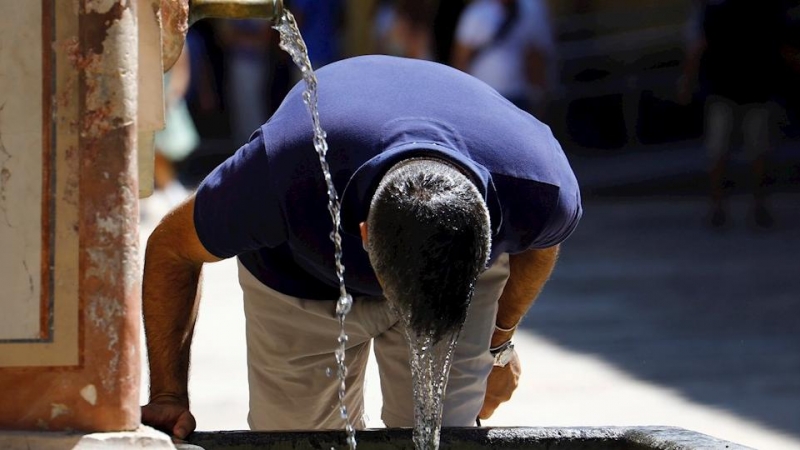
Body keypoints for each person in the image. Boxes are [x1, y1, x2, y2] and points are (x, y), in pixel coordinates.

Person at [140, 55, 582, 438]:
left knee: (445, 435)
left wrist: (498, 343)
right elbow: (171, 248)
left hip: (444, 255)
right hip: (297, 277)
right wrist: (168, 394)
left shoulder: (537, 185)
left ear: (488, 234)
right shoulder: (281, 173)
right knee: (299, 439)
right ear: (364, 235)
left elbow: (540, 246)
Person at [679, 0, 785, 229]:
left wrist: (688, 82)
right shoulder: (720, 9)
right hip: (735, 89)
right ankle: (730, 206)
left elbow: (698, 46)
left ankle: (742, 205)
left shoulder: (754, 9)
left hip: (746, 89)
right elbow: (699, 45)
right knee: (731, 151)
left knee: (744, 151)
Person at [451, 0, 556, 118]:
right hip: (483, 95)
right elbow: (461, 57)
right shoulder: (477, 12)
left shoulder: (532, 8)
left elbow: (537, 53)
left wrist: (539, 95)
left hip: (519, 96)